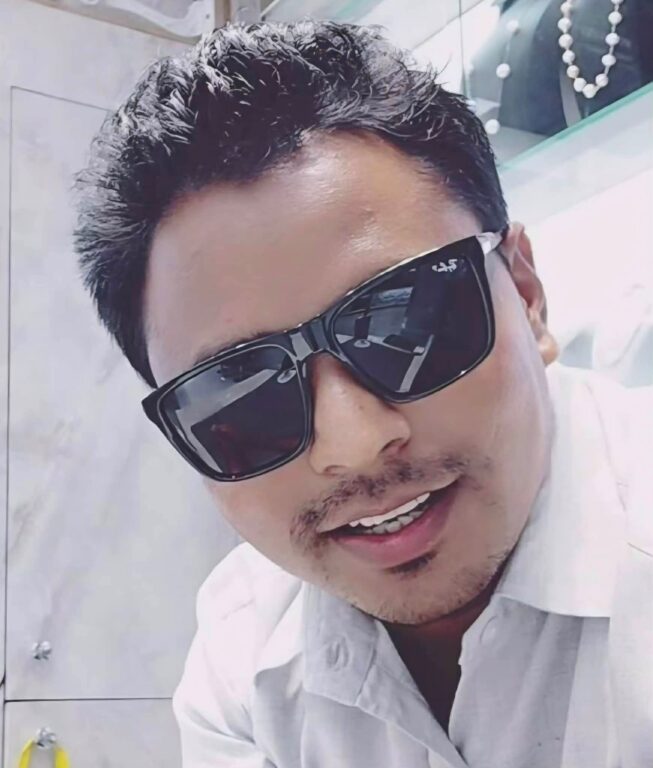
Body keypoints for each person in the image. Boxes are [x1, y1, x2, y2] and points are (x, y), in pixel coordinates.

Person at [72, 20, 653, 768]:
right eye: (239, 395)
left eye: (405, 325)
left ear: (527, 294)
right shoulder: (243, 651)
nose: (351, 443)